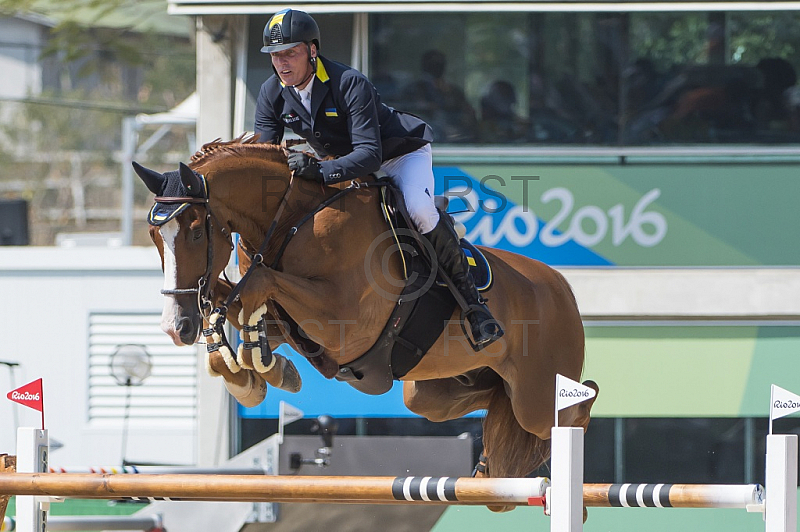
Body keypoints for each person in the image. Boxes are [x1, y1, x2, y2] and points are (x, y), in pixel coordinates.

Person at [254, 8, 502, 350]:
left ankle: (475, 307)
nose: (282, 63)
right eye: (275, 55)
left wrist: (319, 170)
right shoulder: (272, 91)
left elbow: (369, 154)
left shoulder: (348, 82)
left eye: (290, 53)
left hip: (398, 155)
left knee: (417, 208)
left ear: (312, 51)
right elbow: (264, 151)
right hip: (340, 160)